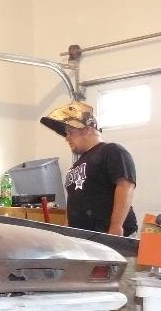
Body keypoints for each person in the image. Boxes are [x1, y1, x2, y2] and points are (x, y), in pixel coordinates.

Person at [40, 100, 137, 237]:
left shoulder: (112, 150)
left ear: (87, 129)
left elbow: (125, 186)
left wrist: (116, 227)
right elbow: (73, 201)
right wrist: (66, 231)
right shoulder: (76, 165)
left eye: (70, 132)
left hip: (109, 236)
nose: (66, 138)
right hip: (84, 239)